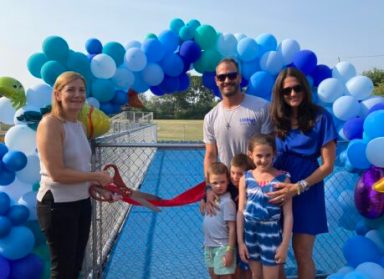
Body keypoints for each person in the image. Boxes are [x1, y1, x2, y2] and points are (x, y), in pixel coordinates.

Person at [36, 71, 115, 279]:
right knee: (62, 271)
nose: (77, 94)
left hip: (81, 203)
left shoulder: (79, 126)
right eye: (71, 89)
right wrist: (95, 177)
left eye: (81, 90)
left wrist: (96, 188)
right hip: (57, 206)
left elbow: (79, 169)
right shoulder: (50, 124)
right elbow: (57, 173)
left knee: (75, 268)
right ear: (58, 94)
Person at [268, 67, 337, 279]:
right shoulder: (276, 120)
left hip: (307, 193)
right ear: (280, 95)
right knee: (275, 254)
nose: (292, 94)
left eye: (297, 88)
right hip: (278, 194)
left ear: (304, 89)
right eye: (286, 91)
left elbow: (328, 165)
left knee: (302, 253)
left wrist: (298, 187)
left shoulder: (320, 118)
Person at [203, 58, 273, 214]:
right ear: (216, 81)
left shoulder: (261, 107)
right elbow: (210, 155)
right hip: (228, 189)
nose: (227, 80)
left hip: (257, 186)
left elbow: (271, 150)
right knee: (226, 236)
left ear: (239, 78)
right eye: (221, 77)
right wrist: (209, 188)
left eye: (231, 75)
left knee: (258, 236)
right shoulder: (210, 117)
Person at [237, 135, 293, 279]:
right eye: (259, 156)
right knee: (256, 276)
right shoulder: (246, 178)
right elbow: (240, 211)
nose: (263, 160)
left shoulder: (283, 179)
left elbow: (288, 215)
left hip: (271, 234)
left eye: (268, 155)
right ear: (250, 155)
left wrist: (284, 244)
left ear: (274, 154)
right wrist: (240, 242)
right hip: (250, 233)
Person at [203, 162, 237, 279]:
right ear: (209, 183)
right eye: (215, 183)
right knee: (213, 276)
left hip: (222, 246)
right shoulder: (211, 200)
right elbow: (202, 211)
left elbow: (232, 228)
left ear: (228, 181)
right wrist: (204, 200)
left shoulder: (227, 202)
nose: (219, 186)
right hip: (209, 246)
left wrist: (229, 250)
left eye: (222, 182)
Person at [229, 154, 254, 279]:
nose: (235, 177)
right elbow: (213, 186)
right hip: (230, 235)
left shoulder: (252, 189)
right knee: (233, 267)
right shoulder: (228, 188)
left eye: (239, 174)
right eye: (232, 172)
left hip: (247, 236)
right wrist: (205, 196)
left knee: (247, 267)